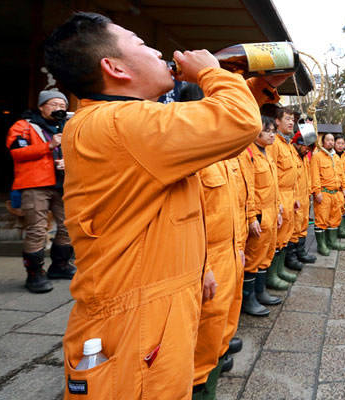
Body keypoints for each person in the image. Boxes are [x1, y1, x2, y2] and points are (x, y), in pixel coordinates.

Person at [45, 12, 284, 398]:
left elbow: (216, 127)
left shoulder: (125, 122)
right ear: (114, 67)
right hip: (136, 325)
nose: (158, 51)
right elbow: (238, 122)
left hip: (155, 309)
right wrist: (211, 71)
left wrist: (259, 86)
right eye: (140, 44)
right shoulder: (119, 122)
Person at [176, 83, 244, 397]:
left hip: (229, 253)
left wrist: (240, 247)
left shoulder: (223, 153)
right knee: (203, 338)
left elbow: (236, 206)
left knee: (222, 327)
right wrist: (201, 267)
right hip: (207, 260)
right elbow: (186, 223)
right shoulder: (187, 157)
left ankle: (214, 371)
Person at [6, 90, 75, 293]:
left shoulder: (67, 126)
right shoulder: (24, 126)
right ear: (41, 106)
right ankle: (35, 274)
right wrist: (49, 145)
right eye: (53, 104)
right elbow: (17, 152)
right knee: (37, 230)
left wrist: (68, 161)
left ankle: (60, 266)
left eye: (62, 106)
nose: (58, 109)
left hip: (63, 184)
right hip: (35, 185)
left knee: (67, 227)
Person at [243, 116, 284, 317]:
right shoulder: (249, 153)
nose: (271, 135)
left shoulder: (266, 154)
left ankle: (260, 292)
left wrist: (278, 208)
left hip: (270, 211)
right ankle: (248, 298)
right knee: (253, 257)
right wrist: (251, 217)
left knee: (266, 254)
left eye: (273, 131)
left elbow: (273, 185)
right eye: (268, 131)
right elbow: (249, 188)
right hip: (258, 213)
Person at [267, 107, 302, 286]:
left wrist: (295, 196)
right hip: (279, 195)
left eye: (292, 119)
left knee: (286, 234)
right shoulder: (274, 144)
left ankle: (279, 270)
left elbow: (293, 174)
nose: (291, 122)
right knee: (277, 235)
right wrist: (278, 201)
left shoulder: (288, 145)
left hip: (290, 196)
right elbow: (271, 175)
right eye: (287, 119)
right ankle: (271, 276)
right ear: (277, 121)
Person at [311, 133, 345, 255]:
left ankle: (332, 241)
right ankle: (321, 245)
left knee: (334, 219)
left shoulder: (336, 157)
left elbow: (341, 174)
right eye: (328, 140)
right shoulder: (317, 157)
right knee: (321, 220)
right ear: (323, 142)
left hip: (336, 193)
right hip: (324, 193)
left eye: (332, 140)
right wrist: (317, 192)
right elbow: (315, 176)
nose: (331, 142)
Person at [290, 124, 318, 265]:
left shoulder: (304, 157)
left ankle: (300, 252)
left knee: (302, 227)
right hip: (294, 199)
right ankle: (291, 257)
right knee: (293, 229)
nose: (308, 150)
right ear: (298, 143)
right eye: (306, 147)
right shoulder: (291, 155)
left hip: (304, 198)